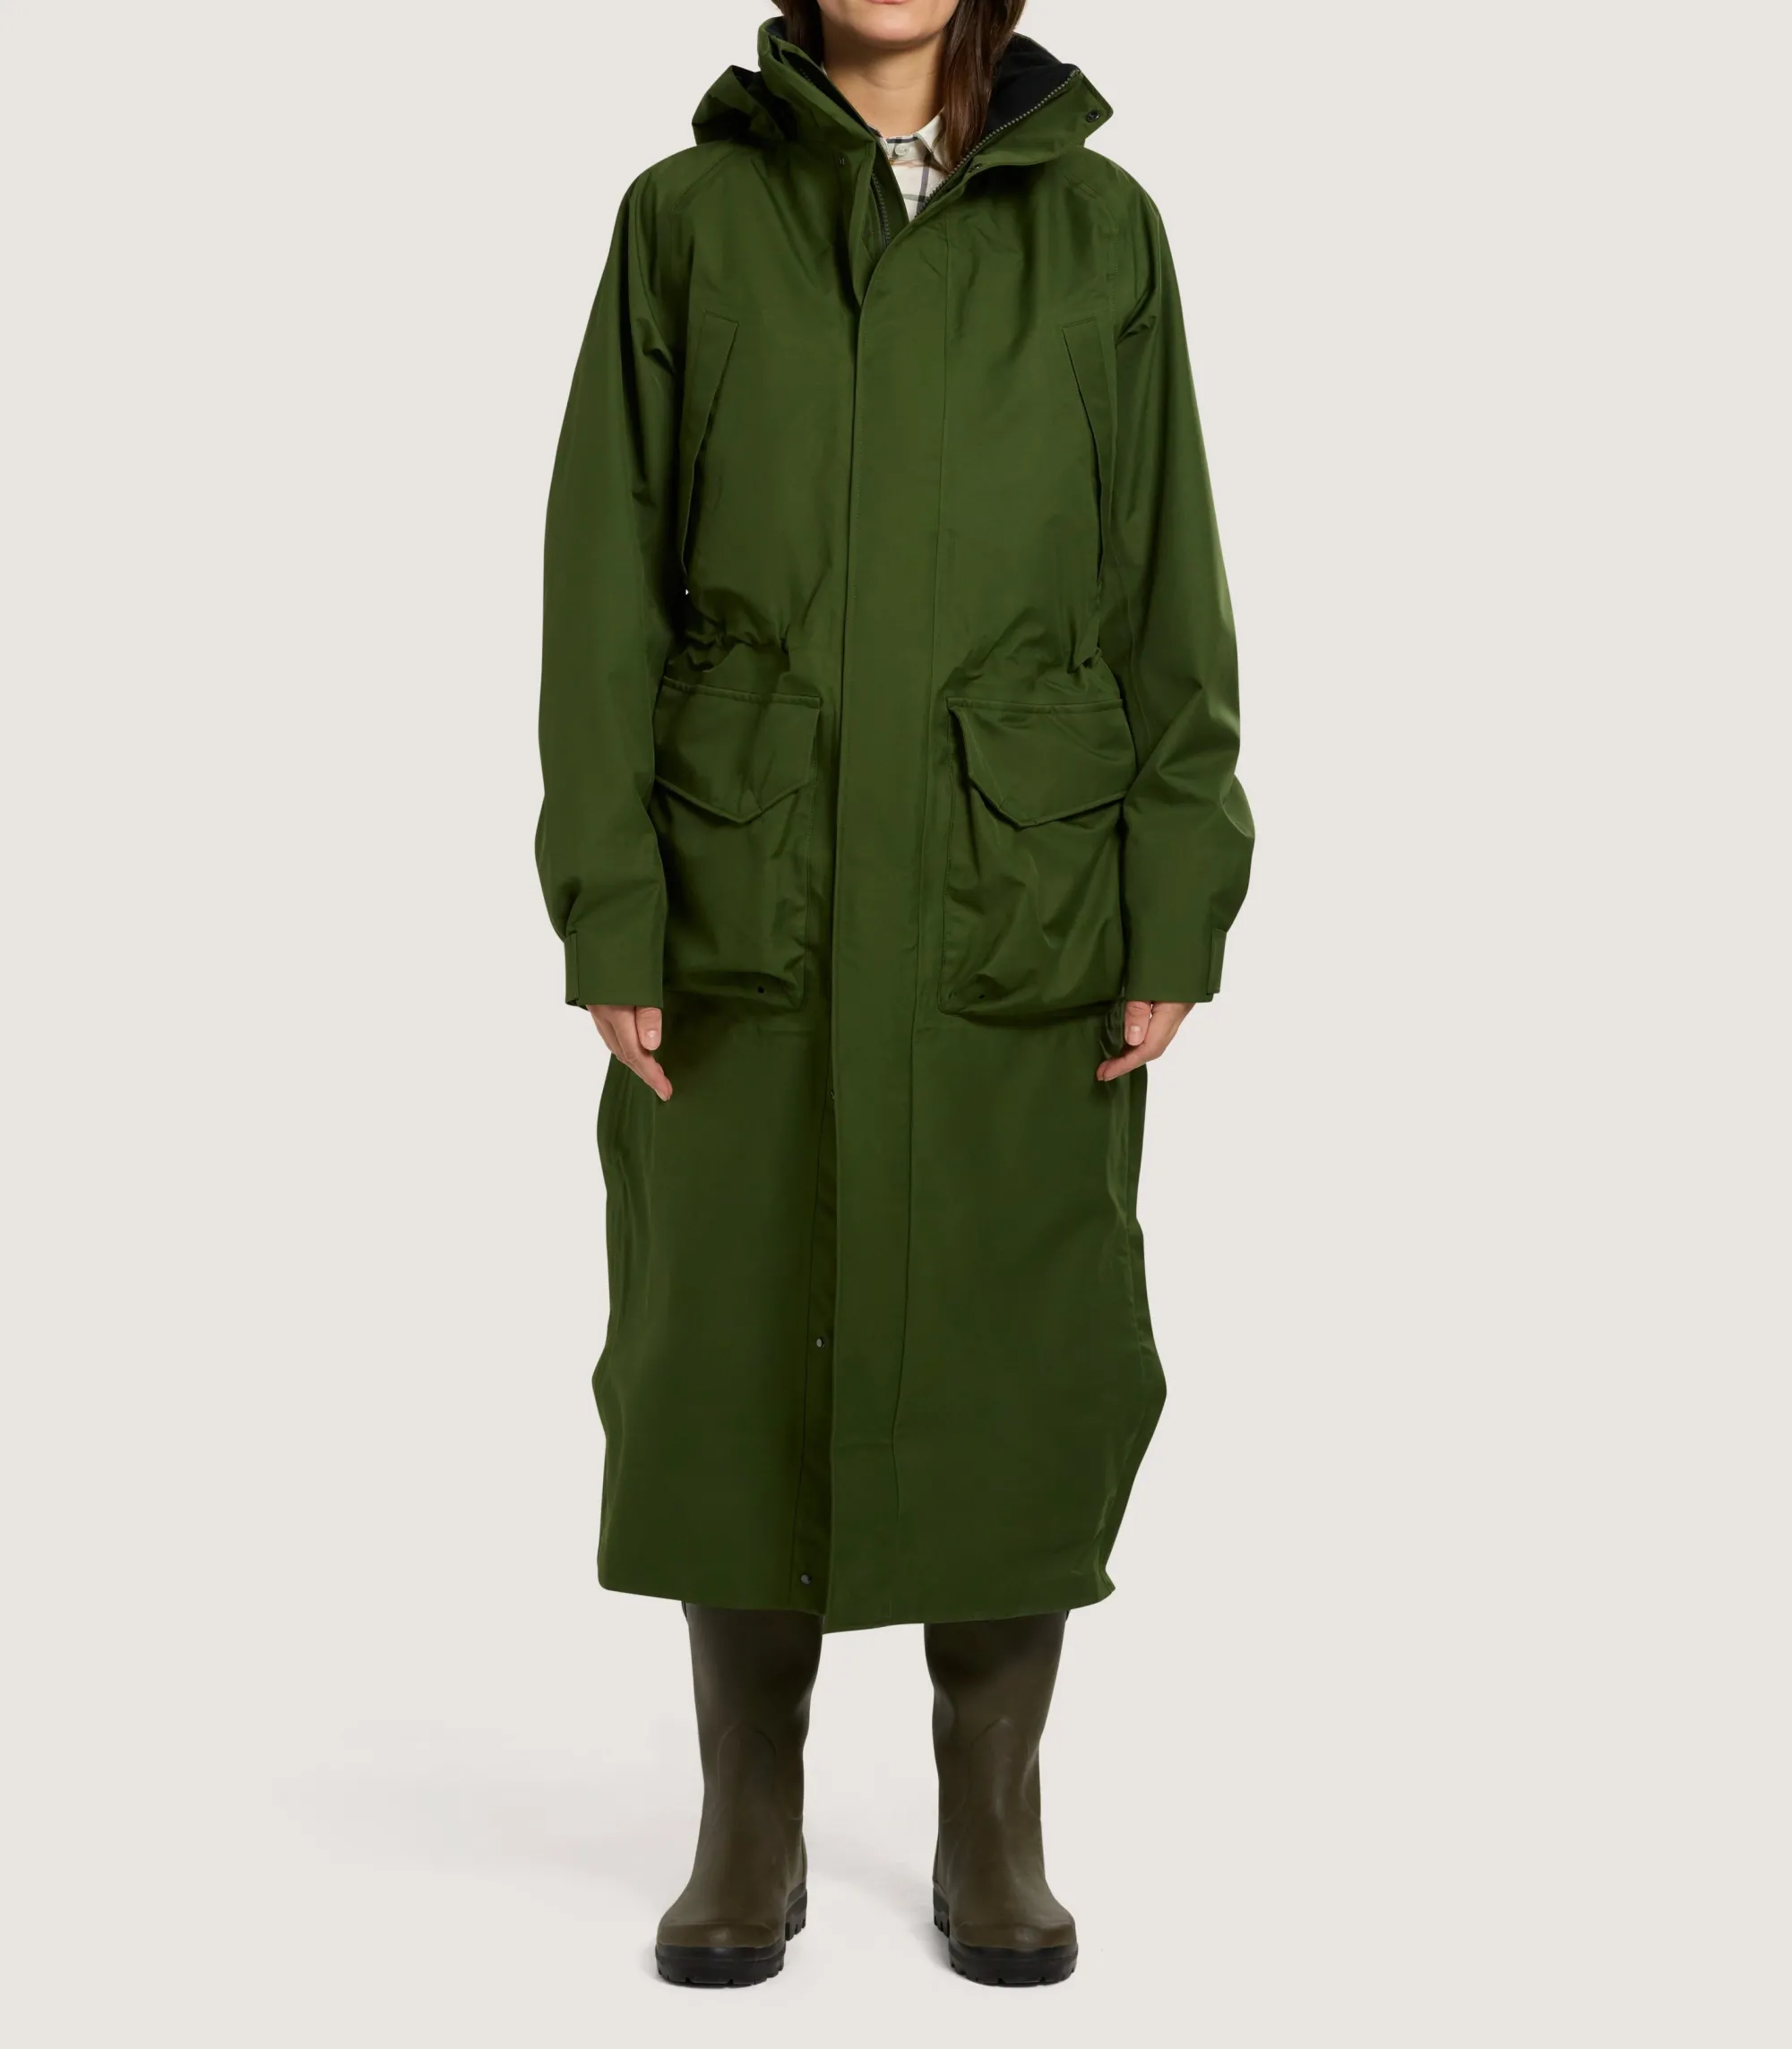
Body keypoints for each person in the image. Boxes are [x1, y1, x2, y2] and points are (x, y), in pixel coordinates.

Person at [536, 0, 1253, 1989]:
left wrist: (1173, 898)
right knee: (723, 1343)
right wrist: (612, 904)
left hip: (1014, 897)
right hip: (741, 896)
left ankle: (990, 1810)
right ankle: (746, 1817)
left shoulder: (1098, 230)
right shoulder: (685, 221)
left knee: (1025, 1345)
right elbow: (604, 579)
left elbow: (1165, 582)